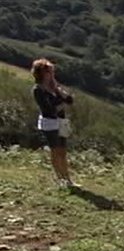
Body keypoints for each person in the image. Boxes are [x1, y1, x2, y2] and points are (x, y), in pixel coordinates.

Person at [31, 58, 77, 187]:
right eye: (50, 71)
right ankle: (60, 178)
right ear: (43, 73)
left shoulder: (54, 88)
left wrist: (59, 90)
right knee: (55, 150)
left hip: (61, 122)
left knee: (63, 151)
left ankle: (68, 179)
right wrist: (63, 104)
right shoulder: (38, 90)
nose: (52, 74)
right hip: (49, 123)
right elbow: (49, 109)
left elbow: (69, 100)